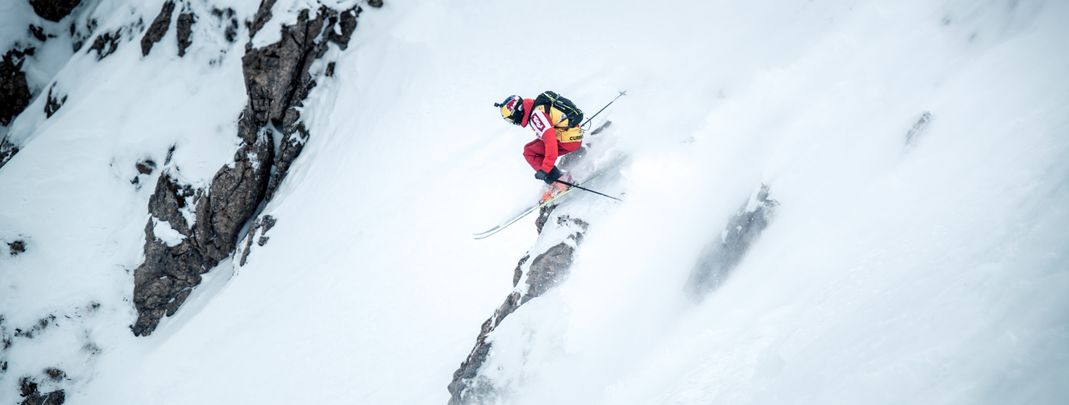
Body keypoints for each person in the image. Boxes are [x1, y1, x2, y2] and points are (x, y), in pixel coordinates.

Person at [495, 93, 584, 201]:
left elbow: (551, 144)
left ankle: (561, 183)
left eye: (510, 119)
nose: (513, 122)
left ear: (517, 112)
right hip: (572, 135)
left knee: (530, 152)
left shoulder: (536, 116)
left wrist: (545, 169)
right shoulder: (538, 107)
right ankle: (557, 179)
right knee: (529, 148)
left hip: (568, 140)